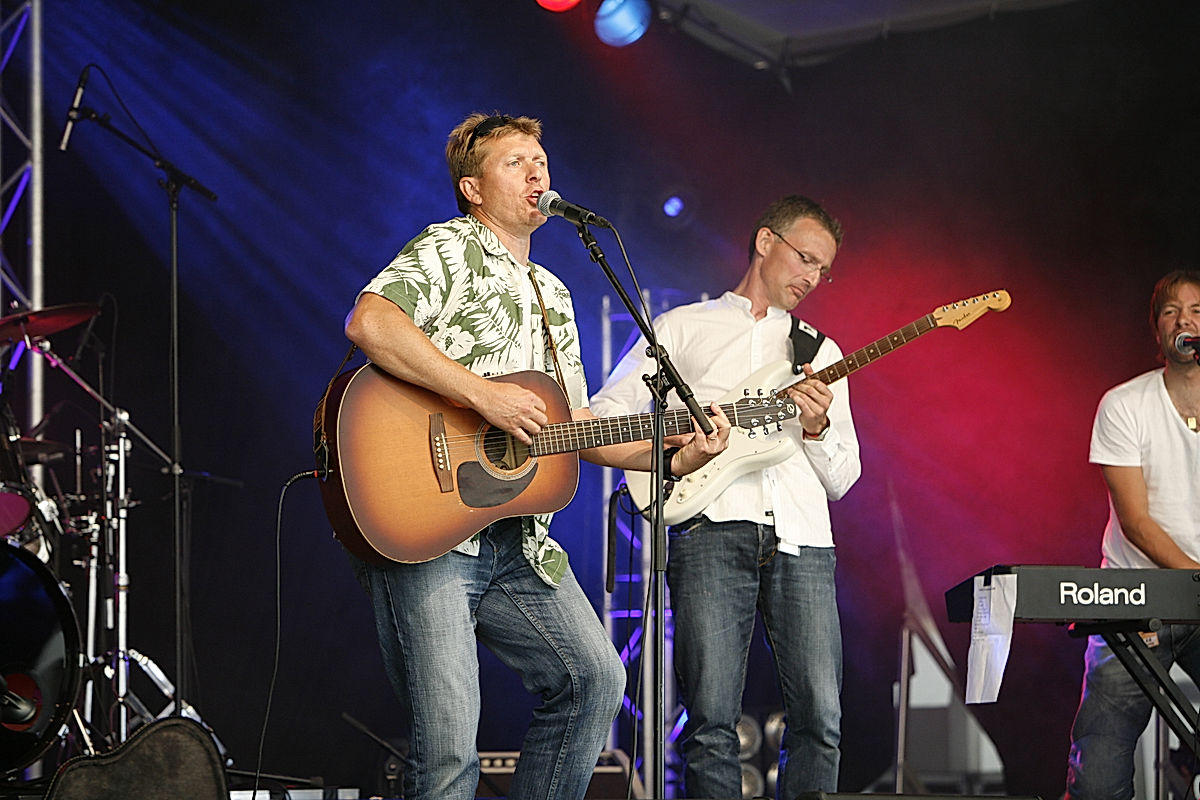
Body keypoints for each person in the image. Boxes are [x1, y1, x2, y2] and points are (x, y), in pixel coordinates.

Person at [339, 112, 731, 800]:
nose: (537, 172)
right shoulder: (448, 247)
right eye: (515, 162)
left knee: (596, 680)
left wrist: (675, 457)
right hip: (431, 527)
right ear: (472, 188)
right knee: (449, 751)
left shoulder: (554, 293)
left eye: (541, 160)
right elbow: (370, 321)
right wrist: (482, 396)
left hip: (520, 542)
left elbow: (574, 428)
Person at [589, 194, 861, 797]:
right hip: (709, 528)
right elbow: (606, 415)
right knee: (710, 721)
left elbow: (843, 478)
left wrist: (817, 429)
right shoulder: (681, 328)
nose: (812, 277)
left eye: (823, 270)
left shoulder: (821, 353)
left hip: (803, 539)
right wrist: (679, 444)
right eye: (806, 258)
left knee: (820, 721)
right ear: (765, 242)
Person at [1065, 270, 1200, 799]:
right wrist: (1196, 582)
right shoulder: (1124, 404)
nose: (1185, 320)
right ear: (1157, 329)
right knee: (1100, 766)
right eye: (1171, 311)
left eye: (1197, 311)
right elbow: (1136, 523)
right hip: (1137, 599)